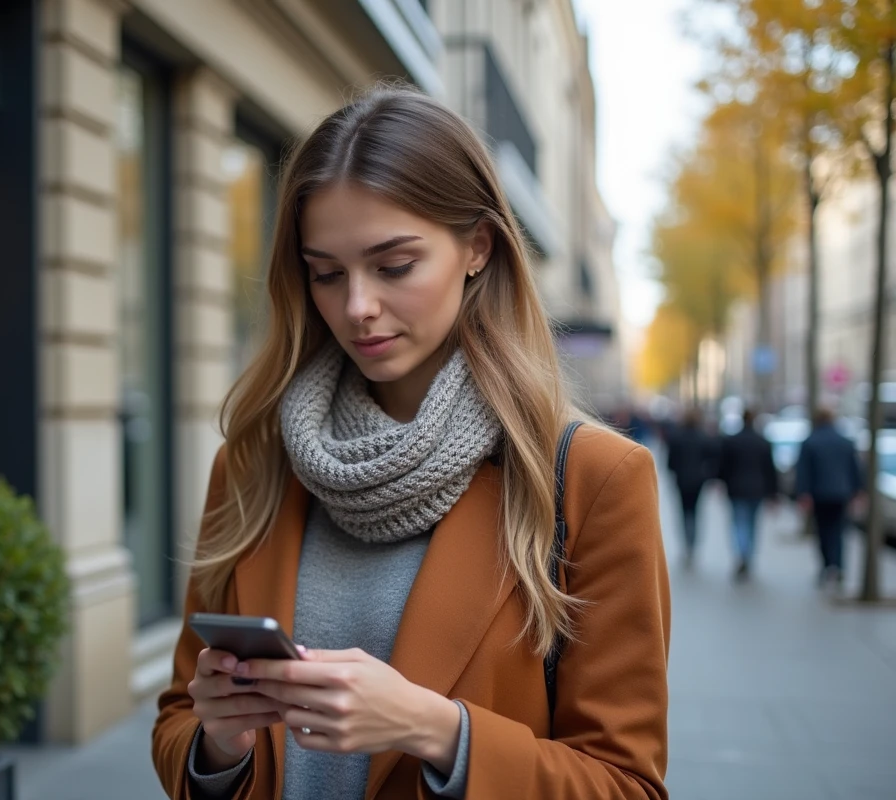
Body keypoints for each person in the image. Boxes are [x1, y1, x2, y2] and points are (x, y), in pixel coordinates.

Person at [151, 86, 669, 800]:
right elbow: (179, 720)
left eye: (393, 266)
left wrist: (439, 732)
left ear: (477, 248)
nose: (356, 306)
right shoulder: (254, 465)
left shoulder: (591, 478)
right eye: (326, 272)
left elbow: (626, 784)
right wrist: (219, 742)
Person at [796, 408, 863, 590]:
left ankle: (827, 565)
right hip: (841, 493)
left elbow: (803, 471)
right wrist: (858, 491)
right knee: (839, 531)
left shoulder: (810, 442)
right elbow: (855, 469)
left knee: (823, 531)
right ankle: (838, 565)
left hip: (819, 494)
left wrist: (803, 493)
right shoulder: (845, 442)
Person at [717, 409, 779, 580]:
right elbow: (770, 469)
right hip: (757, 489)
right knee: (752, 524)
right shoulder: (763, 442)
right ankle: (748, 556)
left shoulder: (731, 441)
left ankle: (741, 554)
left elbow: (723, 466)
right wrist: (774, 493)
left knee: (738, 523)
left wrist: (720, 482)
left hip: (736, 489)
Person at [666, 409, 719, 568]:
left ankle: (687, 545)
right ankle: (692, 545)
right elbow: (713, 458)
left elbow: (670, 462)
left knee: (684, 512)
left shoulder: (676, 437)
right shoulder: (703, 437)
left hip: (682, 480)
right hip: (698, 481)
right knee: (695, 512)